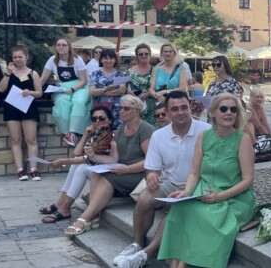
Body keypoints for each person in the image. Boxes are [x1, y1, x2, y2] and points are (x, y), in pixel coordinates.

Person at [113, 91, 211, 268]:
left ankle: (145, 254)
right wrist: (150, 176)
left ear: (190, 107)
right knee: (144, 198)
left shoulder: (206, 130)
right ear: (167, 112)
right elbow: (152, 168)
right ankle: (138, 244)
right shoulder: (159, 136)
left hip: (198, 184)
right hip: (170, 182)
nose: (180, 112)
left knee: (178, 209)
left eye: (184, 107)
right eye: (175, 109)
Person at [157, 93, 255, 268]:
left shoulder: (243, 139)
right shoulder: (204, 137)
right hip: (205, 190)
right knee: (179, 209)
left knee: (202, 216)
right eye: (223, 109)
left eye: (233, 109)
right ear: (213, 113)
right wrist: (186, 192)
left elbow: (247, 180)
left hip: (235, 197)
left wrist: (220, 196)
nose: (229, 113)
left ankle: (182, 265)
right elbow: (194, 173)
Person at [66, 95, 155, 235]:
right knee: (96, 172)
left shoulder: (145, 129)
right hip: (123, 169)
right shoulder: (120, 130)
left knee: (108, 179)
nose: (121, 111)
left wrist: (125, 170)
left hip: (139, 173)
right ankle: (94, 216)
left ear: (137, 111)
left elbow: (150, 161)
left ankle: (84, 219)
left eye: (126, 108)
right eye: (120, 108)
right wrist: (94, 157)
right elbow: (115, 158)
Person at [39, 106, 117, 223]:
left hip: (110, 173)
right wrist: (86, 135)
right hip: (98, 170)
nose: (97, 121)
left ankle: (65, 208)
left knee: (82, 168)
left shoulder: (111, 136)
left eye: (101, 118)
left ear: (110, 120)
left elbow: (87, 160)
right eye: (94, 119)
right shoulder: (97, 137)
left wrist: (63, 161)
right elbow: (75, 155)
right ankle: (61, 202)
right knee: (76, 165)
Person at [0, 45, 44, 180]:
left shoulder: (33, 73)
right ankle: (20, 169)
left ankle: (34, 168)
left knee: (31, 139)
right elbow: (1, 89)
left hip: (28, 107)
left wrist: (30, 93)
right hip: (11, 107)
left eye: (20, 57)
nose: (17, 60)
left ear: (26, 57)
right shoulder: (8, 72)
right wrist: (7, 73)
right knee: (15, 139)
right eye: (15, 57)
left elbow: (39, 93)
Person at [41, 38, 90, 146]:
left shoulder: (77, 59)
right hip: (62, 87)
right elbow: (43, 78)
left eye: (64, 45)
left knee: (79, 102)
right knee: (61, 103)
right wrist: (35, 91)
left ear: (69, 48)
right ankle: (66, 132)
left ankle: (73, 132)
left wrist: (72, 89)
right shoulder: (52, 59)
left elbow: (84, 80)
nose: (61, 47)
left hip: (79, 86)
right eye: (58, 45)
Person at [89, 49, 126, 129]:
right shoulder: (95, 73)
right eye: (106, 58)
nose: (108, 61)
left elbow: (122, 90)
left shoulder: (121, 74)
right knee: (101, 130)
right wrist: (106, 89)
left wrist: (102, 92)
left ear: (115, 60)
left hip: (116, 108)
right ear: (101, 59)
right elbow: (92, 92)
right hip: (100, 107)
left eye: (111, 58)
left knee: (117, 130)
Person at [126, 44, 156, 125]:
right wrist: (128, 93)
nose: (144, 55)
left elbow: (159, 86)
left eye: (146, 53)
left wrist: (146, 94)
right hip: (136, 107)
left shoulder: (156, 70)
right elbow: (119, 86)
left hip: (153, 108)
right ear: (137, 56)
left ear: (150, 54)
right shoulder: (129, 71)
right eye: (141, 54)